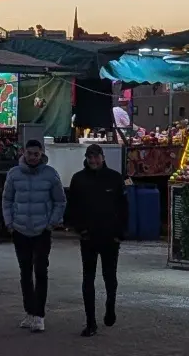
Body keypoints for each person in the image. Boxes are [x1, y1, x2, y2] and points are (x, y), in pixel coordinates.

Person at [3, 139, 66, 333]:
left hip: (41, 231)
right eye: (29, 153)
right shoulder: (13, 174)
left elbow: (60, 201)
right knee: (25, 272)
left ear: (42, 154)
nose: (32, 157)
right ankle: (29, 312)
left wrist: (51, 223)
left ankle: (39, 315)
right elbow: (7, 199)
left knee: (40, 271)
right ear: (24, 153)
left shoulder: (50, 175)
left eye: (36, 154)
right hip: (20, 230)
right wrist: (10, 223)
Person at [64, 144, 127, 337]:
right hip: (88, 237)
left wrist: (120, 233)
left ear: (103, 157)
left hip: (110, 237)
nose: (93, 161)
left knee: (110, 277)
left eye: (96, 157)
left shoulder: (115, 178)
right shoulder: (79, 179)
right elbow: (72, 207)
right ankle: (90, 322)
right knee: (88, 279)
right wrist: (79, 229)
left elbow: (124, 208)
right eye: (90, 158)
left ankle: (110, 306)